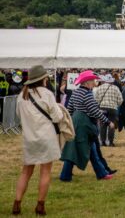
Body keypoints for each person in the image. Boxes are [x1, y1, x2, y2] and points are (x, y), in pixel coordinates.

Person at [12, 65, 63, 216]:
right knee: (45, 171)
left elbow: (18, 115)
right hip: (46, 137)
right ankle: (40, 205)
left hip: (29, 138)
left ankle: (17, 203)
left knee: (26, 172)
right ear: (43, 79)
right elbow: (57, 117)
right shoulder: (46, 94)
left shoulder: (22, 95)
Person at [60, 70, 115, 182]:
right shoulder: (87, 94)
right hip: (84, 124)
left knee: (76, 149)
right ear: (86, 83)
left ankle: (66, 175)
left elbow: (69, 108)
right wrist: (108, 122)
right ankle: (101, 174)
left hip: (76, 122)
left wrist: (70, 121)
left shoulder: (76, 92)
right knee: (89, 148)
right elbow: (94, 111)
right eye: (92, 81)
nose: (94, 82)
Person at [93, 74, 122, 147]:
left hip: (102, 108)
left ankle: (103, 142)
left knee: (103, 125)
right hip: (113, 108)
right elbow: (120, 100)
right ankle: (111, 142)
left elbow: (95, 100)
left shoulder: (99, 88)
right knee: (111, 125)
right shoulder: (115, 88)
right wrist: (116, 104)